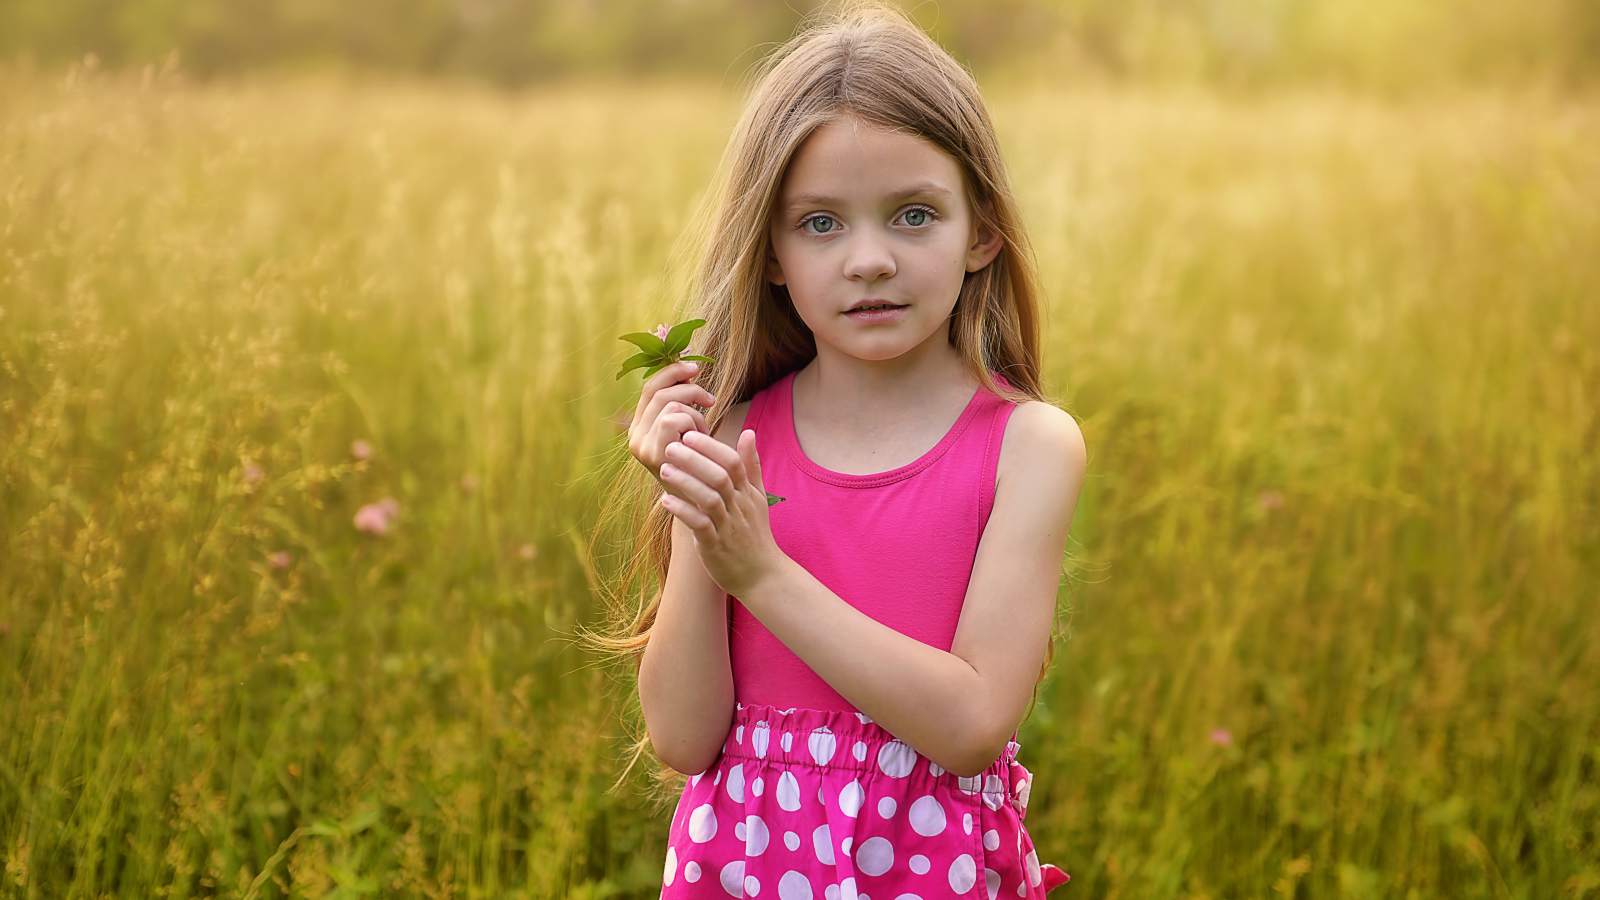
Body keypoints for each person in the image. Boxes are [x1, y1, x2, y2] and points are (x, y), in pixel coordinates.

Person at [608, 5, 1086, 897]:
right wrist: (697, 496)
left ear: (982, 231)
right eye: (821, 224)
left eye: (913, 215)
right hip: (742, 872)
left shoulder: (1027, 446)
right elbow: (682, 736)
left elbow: (972, 722)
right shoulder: (733, 430)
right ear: (774, 252)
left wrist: (763, 573)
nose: (869, 260)